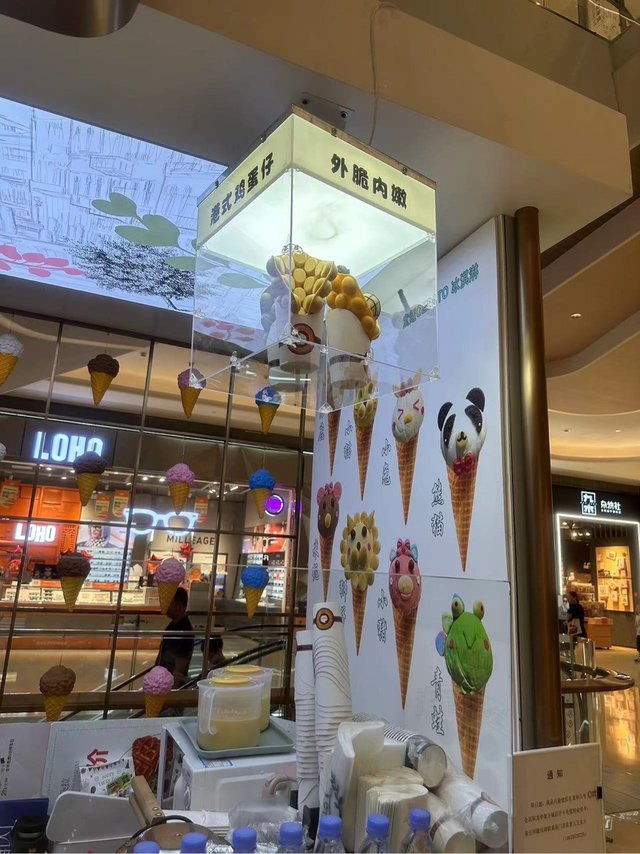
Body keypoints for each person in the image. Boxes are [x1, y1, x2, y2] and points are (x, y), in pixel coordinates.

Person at [156, 587, 194, 687]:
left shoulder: (184, 631)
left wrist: (173, 688)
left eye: (170, 603)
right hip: (163, 680)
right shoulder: (172, 626)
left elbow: (179, 668)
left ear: (179, 605)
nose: (166, 607)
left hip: (169, 684)